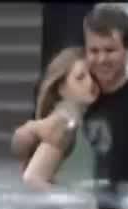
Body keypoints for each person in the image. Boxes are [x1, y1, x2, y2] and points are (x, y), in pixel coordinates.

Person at [14, 4, 128, 209]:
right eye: (94, 51)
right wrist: (81, 208)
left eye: (110, 50)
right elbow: (32, 171)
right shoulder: (77, 104)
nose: (102, 59)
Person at [18, 47, 100, 190]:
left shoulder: (80, 120)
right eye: (80, 77)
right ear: (62, 88)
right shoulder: (64, 123)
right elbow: (32, 178)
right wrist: (69, 200)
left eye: (93, 74)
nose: (90, 82)